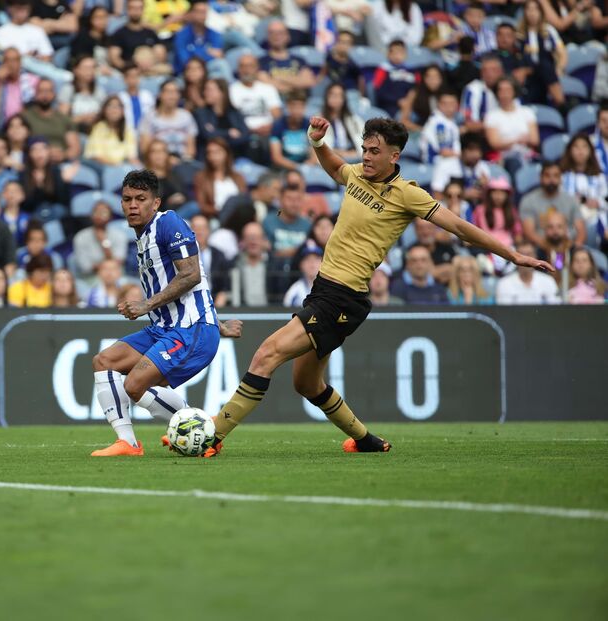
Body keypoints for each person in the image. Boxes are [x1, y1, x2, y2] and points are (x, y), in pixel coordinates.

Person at [206, 117, 553, 457]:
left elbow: (460, 228)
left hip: (342, 298)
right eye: (364, 149)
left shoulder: (408, 194)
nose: (367, 156)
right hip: (324, 290)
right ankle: (365, 440)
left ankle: (210, 435)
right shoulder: (356, 174)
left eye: (374, 151)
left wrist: (511, 254)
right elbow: (334, 167)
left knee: (266, 354)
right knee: (306, 384)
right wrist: (316, 143)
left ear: (395, 156)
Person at [90, 169, 242, 457]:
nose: (133, 205)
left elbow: (192, 275)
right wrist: (221, 324)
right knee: (104, 361)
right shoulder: (142, 237)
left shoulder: (168, 223)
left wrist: (146, 305)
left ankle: (200, 431)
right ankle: (129, 443)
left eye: (140, 198)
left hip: (190, 329)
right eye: (127, 199)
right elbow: (191, 285)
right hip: (166, 328)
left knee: (135, 384)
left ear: (156, 203)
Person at [519, 161, 587, 249]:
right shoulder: (528, 200)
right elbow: (529, 233)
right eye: (547, 176)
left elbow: (581, 231)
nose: (551, 180)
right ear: (541, 178)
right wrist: (550, 249)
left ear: (561, 179)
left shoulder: (571, 200)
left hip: (568, 247)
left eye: (556, 176)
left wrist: (574, 249)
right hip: (540, 250)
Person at [484, 77, 539, 175]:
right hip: (505, 157)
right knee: (514, 164)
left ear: (514, 91)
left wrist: (521, 141)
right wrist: (516, 140)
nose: (504, 94)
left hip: (527, 154)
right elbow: (494, 143)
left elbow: (535, 140)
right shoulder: (492, 116)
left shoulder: (527, 112)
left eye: (508, 90)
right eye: (501, 90)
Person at [20, 78, 81, 163]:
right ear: (35, 94)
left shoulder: (64, 119)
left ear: (54, 94)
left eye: (48, 91)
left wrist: (63, 155)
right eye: (41, 91)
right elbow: (19, 144)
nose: (45, 95)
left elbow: (75, 148)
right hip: (33, 162)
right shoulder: (25, 117)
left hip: (61, 162)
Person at [139, 80, 198, 161]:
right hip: (157, 162)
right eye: (168, 92)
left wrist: (183, 160)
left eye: (175, 92)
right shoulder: (150, 117)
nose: (172, 96)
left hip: (182, 161)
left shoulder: (186, 116)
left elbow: (191, 148)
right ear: (160, 95)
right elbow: (144, 148)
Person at [229, 53, 282, 140]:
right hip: (243, 134)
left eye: (250, 66)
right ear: (238, 69)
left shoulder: (268, 89)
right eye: (243, 66)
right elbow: (232, 119)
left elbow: (277, 115)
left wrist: (269, 127)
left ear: (257, 68)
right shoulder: (231, 91)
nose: (246, 70)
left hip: (268, 133)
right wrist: (250, 130)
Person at [194, 78, 249, 159]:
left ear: (222, 92)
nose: (205, 93)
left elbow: (244, 135)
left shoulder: (235, 112)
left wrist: (217, 133)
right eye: (205, 90)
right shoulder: (201, 113)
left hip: (236, 155)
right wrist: (228, 133)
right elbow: (207, 135)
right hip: (209, 158)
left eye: (209, 90)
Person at [0, 48, 40, 127]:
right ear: (3, 63)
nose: (11, 64)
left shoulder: (33, 81)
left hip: (28, 126)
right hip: (3, 128)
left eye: (14, 60)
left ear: (20, 63)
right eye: (7, 61)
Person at [72, 200, 128, 279]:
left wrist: (104, 243)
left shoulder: (119, 235)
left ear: (110, 217)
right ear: (91, 216)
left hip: (115, 276)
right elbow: (85, 267)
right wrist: (107, 268)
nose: (99, 215)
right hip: (91, 278)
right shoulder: (80, 237)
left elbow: (118, 262)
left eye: (104, 213)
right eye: (96, 212)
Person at [258, 19, 315, 97]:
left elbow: (308, 82)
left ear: (287, 36)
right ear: (268, 37)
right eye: (272, 33)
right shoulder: (261, 61)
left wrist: (279, 78)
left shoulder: (299, 60)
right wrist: (296, 82)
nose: (276, 36)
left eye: (280, 33)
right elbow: (267, 85)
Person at [559, 133, 607, 224]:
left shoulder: (599, 177)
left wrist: (599, 203)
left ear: (590, 151)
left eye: (584, 147)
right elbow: (557, 201)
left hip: (597, 221)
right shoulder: (562, 177)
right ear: (569, 150)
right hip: (570, 222)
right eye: (576, 147)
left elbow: (606, 198)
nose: (580, 151)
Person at [193, 137, 246, 219]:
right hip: (216, 217)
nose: (213, 156)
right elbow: (201, 205)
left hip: (238, 216)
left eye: (217, 152)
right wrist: (221, 211)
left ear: (226, 153)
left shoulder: (238, 177)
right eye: (209, 153)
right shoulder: (202, 177)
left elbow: (244, 199)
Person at [495, 240, 561, 304]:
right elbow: (504, 312)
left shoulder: (548, 281)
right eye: (522, 255)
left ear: (535, 256)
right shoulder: (504, 283)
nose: (526, 259)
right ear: (515, 259)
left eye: (529, 254)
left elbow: (555, 309)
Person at [83, 96, 140, 168]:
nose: (114, 110)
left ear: (123, 111)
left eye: (118, 106)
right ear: (104, 110)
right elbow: (96, 156)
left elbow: (132, 156)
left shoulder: (128, 130)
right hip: (101, 167)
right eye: (110, 106)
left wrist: (141, 170)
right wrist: (117, 166)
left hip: (122, 167)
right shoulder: (98, 128)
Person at [109, 0, 164, 71]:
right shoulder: (119, 34)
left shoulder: (150, 33)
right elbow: (115, 59)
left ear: (143, 10)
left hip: (151, 71)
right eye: (133, 8)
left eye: (139, 8)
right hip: (129, 73)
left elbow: (161, 54)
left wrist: (150, 65)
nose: (136, 12)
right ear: (127, 10)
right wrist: (131, 67)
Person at [189, 213, 231, 306]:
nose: (199, 232)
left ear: (209, 231)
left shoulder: (219, 255)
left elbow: (225, 282)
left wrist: (221, 297)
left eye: (203, 228)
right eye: (195, 228)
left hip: (215, 302)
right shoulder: (183, 255)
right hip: (190, 303)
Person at [472, 177, 523, 251]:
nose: (498, 196)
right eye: (495, 192)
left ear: (507, 195)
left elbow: (517, 231)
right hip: (486, 248)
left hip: (508, 248)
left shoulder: (511, 210)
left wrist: (519, 244)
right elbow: (474, 229)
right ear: (489, 194)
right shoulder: (480, 210)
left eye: (502, 193)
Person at [172, 0, 222, 74]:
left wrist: (194, 52)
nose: (202, 16)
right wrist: (206, 52)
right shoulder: (181, 35)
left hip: (208, 71)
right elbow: (186, 61)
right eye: (199, 12)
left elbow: (218, 55)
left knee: (220, 65)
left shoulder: (214, 34)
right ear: (191, 13)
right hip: (185, 75)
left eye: (204, 12)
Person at [372, 40, 417, 120]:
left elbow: (417, 89)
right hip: (390, 107)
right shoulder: (383, 70)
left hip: (411, 106)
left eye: (400, 52)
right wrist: (398, 101)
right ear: (388, 54)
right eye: (394, 53)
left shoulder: (412, 71)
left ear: (405, 54)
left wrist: (408, 102)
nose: (397, 56)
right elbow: (378, 92)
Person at [318, 82, 362, 160]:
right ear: (326, 97)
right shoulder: (319, 120)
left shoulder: (354, 120)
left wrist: (354, 153)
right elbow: (320, 148)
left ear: (344, 99)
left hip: (353, 159)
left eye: (339, 95)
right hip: (331, 161)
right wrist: (341, 153)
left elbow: (362, 143)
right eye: (333, 94)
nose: (336, 98)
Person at [269, 90, 311, 170]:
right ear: (288, 107)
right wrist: (297, 168)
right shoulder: (278, 125)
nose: (297, 111)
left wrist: (306, 166)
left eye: (301, 107)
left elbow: (315, 154)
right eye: (294, 106)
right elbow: (276, 157)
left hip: (306, 167)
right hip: (284, 168)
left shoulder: (309, 125)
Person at [461, 55, 503, 134]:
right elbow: (469, 124)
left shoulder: (508, 88)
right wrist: (495, 126)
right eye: (485, 70)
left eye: (493, 70)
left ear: (501, 71)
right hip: (481, 135)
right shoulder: (472, 90)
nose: (489, 74)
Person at [143, 139, 187, 210]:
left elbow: (185, 195)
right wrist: (168, 202)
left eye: (162, 151)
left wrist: (181, 197)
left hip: (179, 212)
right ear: (148, 156)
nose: (158, 154)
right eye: (154, 151)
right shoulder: (143, 178)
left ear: (167, 155)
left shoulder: (174, 175)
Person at [235, 221, 270, 306]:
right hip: (242, 314)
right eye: (249, 237)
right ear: (243, 241)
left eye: (257, 237)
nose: (253, 241)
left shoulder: (275, 265)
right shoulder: (234, 264)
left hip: (270, 313)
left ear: (264, 240)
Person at [321, 30, 364, 94]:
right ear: (336, 43)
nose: (344, 45)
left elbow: (361, 81)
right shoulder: (329, 57)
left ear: (351, 45)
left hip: (349, 92)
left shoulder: (354, 64)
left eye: (347, 42)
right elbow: (322, 74)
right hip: (332, 92)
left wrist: (361, 96)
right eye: (341, 41)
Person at [118, 63, 156, 132]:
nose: (134, 79)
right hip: (126, 133)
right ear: (125, 79)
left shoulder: (148, 96)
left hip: (146, 132)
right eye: (131, 76)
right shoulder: (119, 98)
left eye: (137, 76)